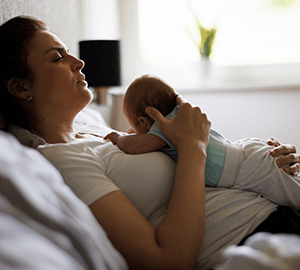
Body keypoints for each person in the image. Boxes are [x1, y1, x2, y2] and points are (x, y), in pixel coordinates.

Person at [1, 16, 300, 270]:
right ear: (21, 86)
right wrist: (193, 148)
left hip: (277, 211)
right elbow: (168, 259)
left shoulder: (91, 130)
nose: (78, 62)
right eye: (57, 57)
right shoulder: (62, 160)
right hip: (256, 237)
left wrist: (260, 158)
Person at [105, 74, 300, 210]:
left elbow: (136, 146)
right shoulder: (180, 116)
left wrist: (118, 137)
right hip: (245, 151)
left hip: (246, 167)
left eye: (135, 126)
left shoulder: (163, 128)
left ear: (143, 121)